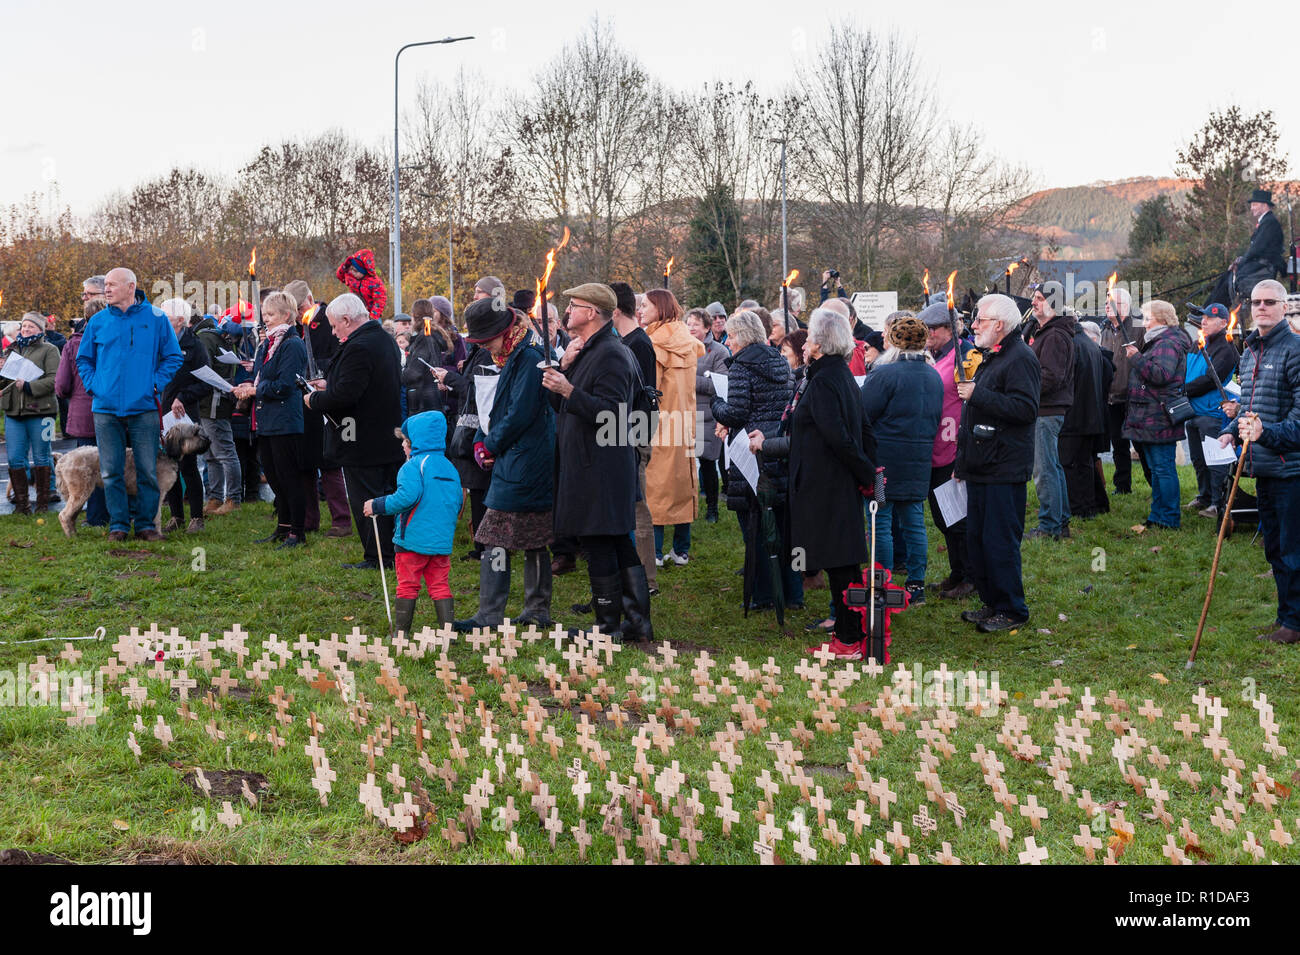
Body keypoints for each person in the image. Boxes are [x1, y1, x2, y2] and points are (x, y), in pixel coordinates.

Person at [749, 309, 877, 659]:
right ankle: (846, 633)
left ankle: (849, 639)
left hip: (827, 485)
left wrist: (868, 474)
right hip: (831, 482)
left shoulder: (824, 381)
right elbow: (860, 429)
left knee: (840, 564)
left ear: (819, 344)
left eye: (808, 339)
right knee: (840, 563)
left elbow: (840, 436)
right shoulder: (834, 374)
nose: (803, 345)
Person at [542, 282, 651, 642]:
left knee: (603, 541)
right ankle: (634, 623)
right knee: (615, 540)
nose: (567, 311)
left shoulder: (611, 354)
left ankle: (609, 627)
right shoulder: (588, 351)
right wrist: (565, 369)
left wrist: (569, 389)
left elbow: (614, 415)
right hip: (588, 464)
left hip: (603, 467)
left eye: (573, 305)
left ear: (592, 312)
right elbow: (561, 406)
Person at [452, 298, 556, 631]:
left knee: (495, 534)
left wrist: (489, 444)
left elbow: (520, 412)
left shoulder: (527, 358)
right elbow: (496, 406)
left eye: (486, 340)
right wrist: (484, 438)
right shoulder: (511, 354)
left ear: (504, 331)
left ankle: (492, 614)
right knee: (532, 535)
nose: (482, 346)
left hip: (525, 459)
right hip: (520, 457)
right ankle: (535, 609)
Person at [76, 268, 183, 541]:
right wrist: (95, 386)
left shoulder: (157, 319)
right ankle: (119, 527)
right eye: (106, 285)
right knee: (111, 471)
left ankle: (146, 525)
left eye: (112, 285)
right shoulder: (98, 321)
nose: (107, 289)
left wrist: (154, 384)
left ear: (131, 287)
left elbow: (173, 356)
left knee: (147, 470)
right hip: (105, 409)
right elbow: (83, 360)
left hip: (144, 408)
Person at [954, 293, 1041, 632]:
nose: (973, 325)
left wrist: (979, 395)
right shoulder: (995, 356)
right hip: (982, 464)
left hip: (1004, 467)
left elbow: (1025, 409)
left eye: (980, 320)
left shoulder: (1020, 358)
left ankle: (1011, 609)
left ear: (1000, 325)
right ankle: (991, 602)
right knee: (977, 540)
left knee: (999, 542)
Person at [1220, 280, 1300, 644]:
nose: (1262, 307)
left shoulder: (1294, 350)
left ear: (1285, 308)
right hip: (1262, 466)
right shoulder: (1249, 351)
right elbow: (1253, 406)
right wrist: (1234, 424)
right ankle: (1287, 617)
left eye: (1270, 302)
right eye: (1256, 302)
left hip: (1290, 468)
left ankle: (1294, 624)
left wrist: (1265, 433)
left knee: (1291, 549)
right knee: (1274, 548)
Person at [303, 293, 404, 569]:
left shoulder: (359, 346)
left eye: (335, 326)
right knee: (388, 497)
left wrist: (314, 399)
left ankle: (377, 557)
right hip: (385, 435)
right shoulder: (383, 339)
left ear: (347, 320)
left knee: (367, 499)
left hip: (362, 440)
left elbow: (346, 396)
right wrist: (331, 384)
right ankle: (392, 553)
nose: (334, 333)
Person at [710, 310, 797, 611]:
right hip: (777, 447)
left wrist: (715, 403)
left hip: (751, 451)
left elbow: (735, 412)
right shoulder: (780, 360)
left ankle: (763, 593)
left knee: (755, 526)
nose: (728, 342)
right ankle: (791, 593)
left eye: (731, 336)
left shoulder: (741, 366)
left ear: (743, 336)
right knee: (782, 525)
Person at [860, 316, 942, 605]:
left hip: (884, 463)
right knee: (914, 521)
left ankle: (881, 583)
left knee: (880, 521)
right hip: (919, 460)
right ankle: (916, 585)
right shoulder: (933, 375)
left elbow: (863, 416)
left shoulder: (884, 375)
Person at [365, 412, 463, 635]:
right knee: (440, 585)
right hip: (441, 542)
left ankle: (401, 634)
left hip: (411, 541)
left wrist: (377, 505)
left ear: (414, 443)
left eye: (404, 441)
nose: (402, 446)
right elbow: (458, 500)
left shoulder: (412, 467)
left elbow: (406, 498)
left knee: (408, 584)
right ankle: (448, 634)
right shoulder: (450, 467)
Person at [234, 291, 309, 548]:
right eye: (264, 314)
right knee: (275, 477)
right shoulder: (266, 343)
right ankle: (283, 526)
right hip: (264, 419)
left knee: (289, 477)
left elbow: (286, 385)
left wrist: (255, 390)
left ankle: (298, 532)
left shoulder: (292, 344)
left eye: (271, 314)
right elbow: (261, 376)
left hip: (285, 419)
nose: (266, 319)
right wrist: (247, 385)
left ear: (286, 315)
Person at [641, 289, 704, 566]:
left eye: (645, 305)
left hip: (661, 423)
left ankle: (654, 552)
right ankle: (681, 550)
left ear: (660, 308)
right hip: (687, 422)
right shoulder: (688, 341)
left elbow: (649, 389)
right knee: (682, 482)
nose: (640, 310)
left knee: (655, 487)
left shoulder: (652, 343)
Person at [284, 279, 350, 538]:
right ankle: (309, 518)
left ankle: (341, 519)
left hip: (325, 397)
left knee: (330, 462)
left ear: (310, 301)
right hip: (303, 400)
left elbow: (339, 356)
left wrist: (320, 373)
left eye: (300, 308)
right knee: (305, 462)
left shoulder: (329, 322)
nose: (299, 314)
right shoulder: (297, 327)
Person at [919, 302, 973, 598]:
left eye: (933, 329)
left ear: (950, 329)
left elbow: (970, 402)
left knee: (957, 517)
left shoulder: (965, 356)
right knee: (942, 516)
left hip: (954, 449)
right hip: (937, 447)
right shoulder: (939, 354)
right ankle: (958, 572)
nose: (928, 333)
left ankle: (970, 575)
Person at [1122, 299, 1191, 530]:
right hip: (1153, 415)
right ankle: (1157, 515)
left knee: (1163, 468)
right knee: (1157, 468)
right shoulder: (1159, 341)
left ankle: (1169, 518)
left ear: (1161, 319)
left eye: (1147, 318)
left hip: (1158, 415)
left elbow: (1161, 375)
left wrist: (1136, 359)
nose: (1143, 323)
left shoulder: (1166, 343)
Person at [611, 282, 659, 591]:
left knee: (638, 506)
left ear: (614, 311)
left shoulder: (638, 344)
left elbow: (639, 397)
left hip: (633, 434)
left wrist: (635, 439)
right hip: (620, 432)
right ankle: (627, 575)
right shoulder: (626, 341)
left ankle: (646, 579)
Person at [1026, 282, 1074, 540]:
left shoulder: (1054, 336)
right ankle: (1060, 522)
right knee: (1052, 467)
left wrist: (1022, 387)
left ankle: (1049, 527)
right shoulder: (1046, 332)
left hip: (1046, 410)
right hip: (1047, 409)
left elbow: (1051, 377)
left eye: (1040, 298)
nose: (1034, 302)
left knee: (1044, 469)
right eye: (1034, 297)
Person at [158, 298, 212, 534]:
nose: (162, 323)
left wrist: (184, 396)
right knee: (169, 464)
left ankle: (197, 517)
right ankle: (176, 515)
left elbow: (206, 383)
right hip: (163, 412)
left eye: (166, 318)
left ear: (180, 320)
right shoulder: (159, 343)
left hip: (185, 415)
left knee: (189, 466)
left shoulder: (195, 346)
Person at [55, 293, 109, 526]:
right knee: (114, 464)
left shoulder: (73, 345)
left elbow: (62, 384)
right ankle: (118, 514)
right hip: (112, 410)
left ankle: (95, 516)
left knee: (87, 468)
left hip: (83, 413)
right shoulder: (111, 340)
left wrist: (67, 395)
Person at [1183, 303, 1239, 518]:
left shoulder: (1226, 348)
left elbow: (1209, 380)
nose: (1204, 321)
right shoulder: (1199, 342)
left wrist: (1183, 390)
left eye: (1210, 318)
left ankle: (1218, 503)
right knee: (1198, 459)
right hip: (1193, 411)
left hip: (1212, 414)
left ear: (1224, 323)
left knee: (1215, 461)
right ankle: (1204, 496)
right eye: (1203, 317)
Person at [1058, 306, 1113, 521]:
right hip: (1091, 414)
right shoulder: (1088, 344)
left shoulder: (1073, 345)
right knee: (1085, 463)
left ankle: (1080, 508)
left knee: (1072, 465)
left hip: (1075, 415)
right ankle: (1095, 504)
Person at [3, 312, 61, 513]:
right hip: (13, 413)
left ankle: (43, 504)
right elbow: (5, 381)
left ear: (41, 330)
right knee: (15, 458)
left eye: (31, 326)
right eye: (24, 326)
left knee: (42, 457)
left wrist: (28, 386)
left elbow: (55, 380)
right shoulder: (12, 349)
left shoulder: (50, 350)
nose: (26, 329)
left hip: (43, 413)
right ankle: (22, 505)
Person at [190, 306, 242, 517]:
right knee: (210, 454)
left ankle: (233, 498)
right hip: (208, 402)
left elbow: (203, 369)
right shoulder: (215, 335)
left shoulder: (204, 338)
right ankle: (215, 497)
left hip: (213, 402)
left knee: (224, 453)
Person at [1099, 285, 1146, 494]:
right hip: (1112, 397)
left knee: (1141, 445)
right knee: (1118, 444)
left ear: (1127, 307)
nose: (1110, 306)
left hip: (1134, 397)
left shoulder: (1138, 327)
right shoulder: (1105, 329)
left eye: (1116, 303)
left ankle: (1155, 482)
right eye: (1109, 302)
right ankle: (1122, 486)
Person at [688, 307, 728, 523]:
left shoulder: (719, 352)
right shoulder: (681, 347)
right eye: (689, 323)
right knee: (683, 464)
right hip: (683, 411)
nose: (691, 327)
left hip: (707, 414)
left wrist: (689, 380)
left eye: (695, 324)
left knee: (707, 462)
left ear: (706, 327)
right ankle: (686, 507)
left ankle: (712, 507)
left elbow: (720, 384)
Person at [1232, 190, 1286, 304]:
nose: (1252, 208)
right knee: (1226, 279)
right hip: (1260, 264)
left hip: (1264, 267)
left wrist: (1241, 262)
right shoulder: (1266, 221)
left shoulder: (1270, 222)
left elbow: (1256, 249)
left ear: (1264, 205)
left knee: (1234, 278)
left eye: (1254, 205)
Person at [403, 299, 448, 419]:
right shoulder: (430, 335)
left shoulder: (424, 338)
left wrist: (400, 373)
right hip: (430, 399)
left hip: (423, 403)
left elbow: (414, 373)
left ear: (414, 316)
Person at [335, 249, 387, 321]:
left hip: (370, 313)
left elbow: (380, 300)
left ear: (364, 271)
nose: (352, 272)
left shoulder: (375, 283)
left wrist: (372, 317)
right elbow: (339, 276)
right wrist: (344, 266)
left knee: (375, 327)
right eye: (351, 269)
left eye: (355, 271)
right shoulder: (351, 276)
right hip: (355, 312)